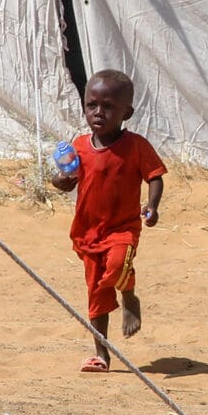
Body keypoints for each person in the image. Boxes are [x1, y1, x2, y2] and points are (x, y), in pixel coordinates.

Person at [52, 69, 167, 373]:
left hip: (122, 229)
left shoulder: (136, 147)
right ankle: (101, 354)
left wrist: (152, 207)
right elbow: (64, 177)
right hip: (88, 233)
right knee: (97, 292)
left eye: (108, 107)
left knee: (116, 268)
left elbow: (155, 176)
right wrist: (60, 181)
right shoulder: (78, 146)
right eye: (92, 105)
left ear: (126, 112)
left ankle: (128, 295)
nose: (99, 113)